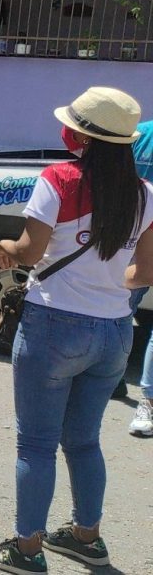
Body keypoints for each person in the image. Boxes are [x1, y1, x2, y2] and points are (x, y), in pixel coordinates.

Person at [0, 86, 153, 575]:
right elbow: (145, 272)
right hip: (114, 331)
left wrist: (7, 247)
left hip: (54, 326)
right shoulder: (145, 194)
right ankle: (86, 538)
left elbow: (29, 252)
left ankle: (26, 548)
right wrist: (108, 285)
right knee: (84, 440)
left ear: (84, 137)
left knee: (36, 444)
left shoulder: (58, 178)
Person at [126, 119, 153, 435]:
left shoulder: (138, 133)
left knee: (118, 314)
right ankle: (148, 401)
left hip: (130, 242)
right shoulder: (139, 134)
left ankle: (109, 380)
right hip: (133, 241)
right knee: (117, 315)